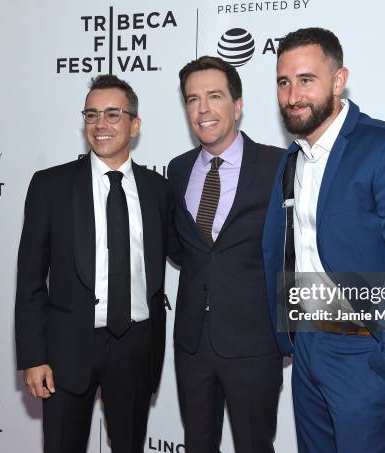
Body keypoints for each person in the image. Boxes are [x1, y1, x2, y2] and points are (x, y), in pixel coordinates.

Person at [262, 28, 385, 453]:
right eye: (284, 82)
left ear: (338, 80)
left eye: (306, 79)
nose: (293, 94)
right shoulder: (291, 161)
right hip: (308, 347)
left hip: (366, 352)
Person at [15, 75, 171, 453]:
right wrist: (33, 358)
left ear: (135, 125)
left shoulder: (158, 189)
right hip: (68, 347)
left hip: (136, 347)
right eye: (92, 114)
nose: (100, 124)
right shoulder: (50, 186)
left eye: (113, 114)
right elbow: (31, 280)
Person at [167, 56, 284, 453]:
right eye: (192, 99)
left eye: (214, 96)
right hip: (192, 343)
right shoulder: (177, 169)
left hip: (254, 344)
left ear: (237, 105)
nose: (202, 109)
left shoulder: (277, 165)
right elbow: (188, 251)